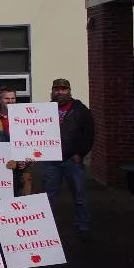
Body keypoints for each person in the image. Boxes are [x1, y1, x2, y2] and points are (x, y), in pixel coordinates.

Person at [39, 79, 94, 240]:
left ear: (69, 91)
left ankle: (83, 225)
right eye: (57, 89)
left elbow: (89, 134)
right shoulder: (44, 110)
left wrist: (80, 153)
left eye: (63, 89)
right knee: (48, 196)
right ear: (52, 91)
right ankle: (46, 227)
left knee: (79, 195)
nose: (60, 92)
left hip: (72, 160)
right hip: (50, 160)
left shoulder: (81, 110)